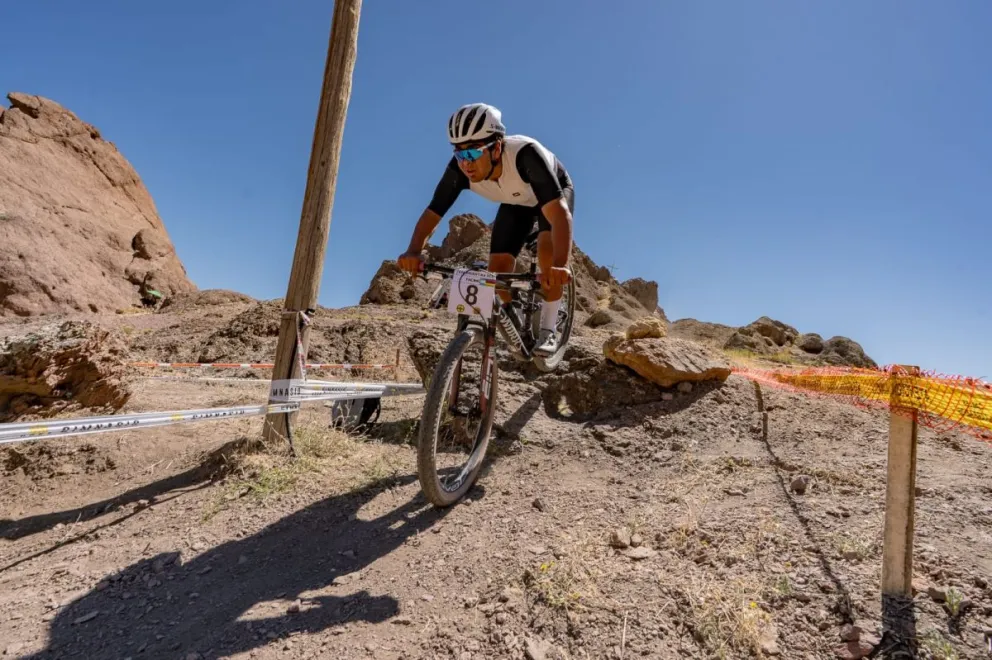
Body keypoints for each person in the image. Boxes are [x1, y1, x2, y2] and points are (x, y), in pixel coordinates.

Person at [397, 103, 574, 356]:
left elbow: (560, 215)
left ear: (497, 147)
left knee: (548, 255)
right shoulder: (459, 170)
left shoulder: (525, 155)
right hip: (516, 202)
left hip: (551, 194)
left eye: (472, 154)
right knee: (497, 273)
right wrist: (414, 251)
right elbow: (434, 211)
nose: (465, 164)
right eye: (459, 154)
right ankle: (513, 321)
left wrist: (561, 265)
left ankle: (548, 330)